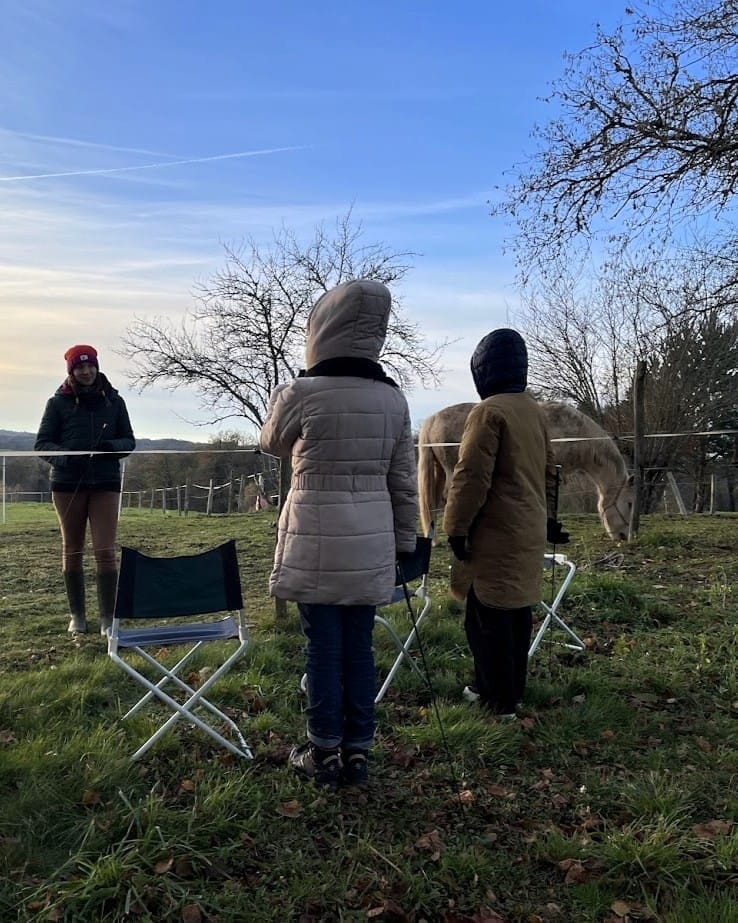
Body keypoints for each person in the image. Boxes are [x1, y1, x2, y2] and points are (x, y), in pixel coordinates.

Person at [259, 280, 418, 790]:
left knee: (323, 648)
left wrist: (287, 390)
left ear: (321, 330)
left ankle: (324, 750)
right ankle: (358, 751)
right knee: (359, 647)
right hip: (372, 540)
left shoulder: (302, 393)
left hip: (314, 538)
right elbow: (403, 480)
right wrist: (406, 541)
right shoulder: (393, 399)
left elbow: (270, 442)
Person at [443, 329, 567, 717]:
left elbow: (470, 476)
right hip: (529, 528)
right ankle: (508, 689)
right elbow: (550, 471)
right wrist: (549, 518)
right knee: (516, 615)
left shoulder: (488, 412)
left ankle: (498, 702)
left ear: (483, 370)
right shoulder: (532, 410)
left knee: (486, 619)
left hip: (496, 533)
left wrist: (455, 527)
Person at [35, 345, 136, 636]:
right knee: (72, 549)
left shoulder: (114, 401)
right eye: (79, 367)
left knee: (105, 551)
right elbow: (42, 444)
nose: (86, 371)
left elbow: (129, 440)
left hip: (105, 483)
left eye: (90, 366)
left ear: (96, 367)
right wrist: (66, 457)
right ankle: (77, 616)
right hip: (68, 485)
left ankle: (108, 619)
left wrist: (110, 447)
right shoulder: (57, 403)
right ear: (71, 371)